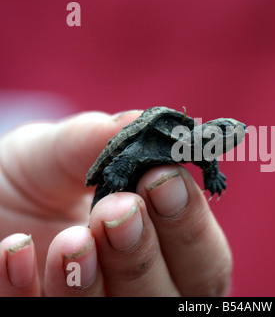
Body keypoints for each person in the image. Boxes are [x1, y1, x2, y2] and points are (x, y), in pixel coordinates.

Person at [0, 110, 232, 296]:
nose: (235, 132)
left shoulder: (195, 147)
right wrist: (118, 171)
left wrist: (212, 175)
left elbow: (205, 156)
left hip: (137, 207)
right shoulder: (163, 128)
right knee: (107, 217)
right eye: (224, 129)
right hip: (119, 175)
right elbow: (136, 148)